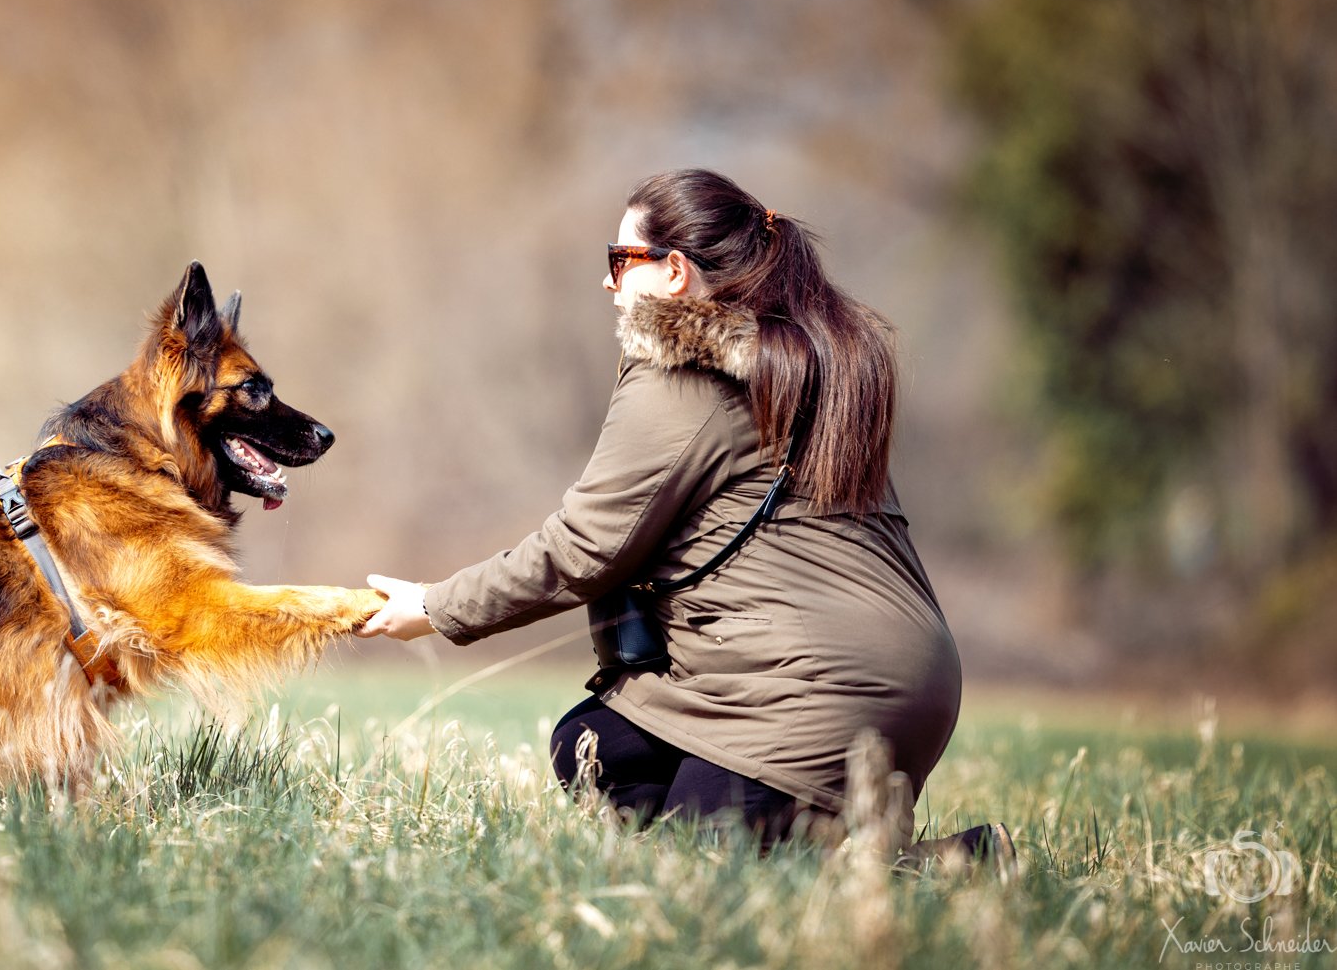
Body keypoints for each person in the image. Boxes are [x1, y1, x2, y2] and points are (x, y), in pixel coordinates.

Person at [360, 169, 1008, 863]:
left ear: (674, 273)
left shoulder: (681, 371)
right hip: (917, 680)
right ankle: (860, 855)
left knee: (699, 884)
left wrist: (433, 605)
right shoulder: (809, 364)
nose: (607, 283)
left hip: (809, 689)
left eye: (619, 260)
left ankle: (950, 866)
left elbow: (581, 547)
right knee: (597, 744)